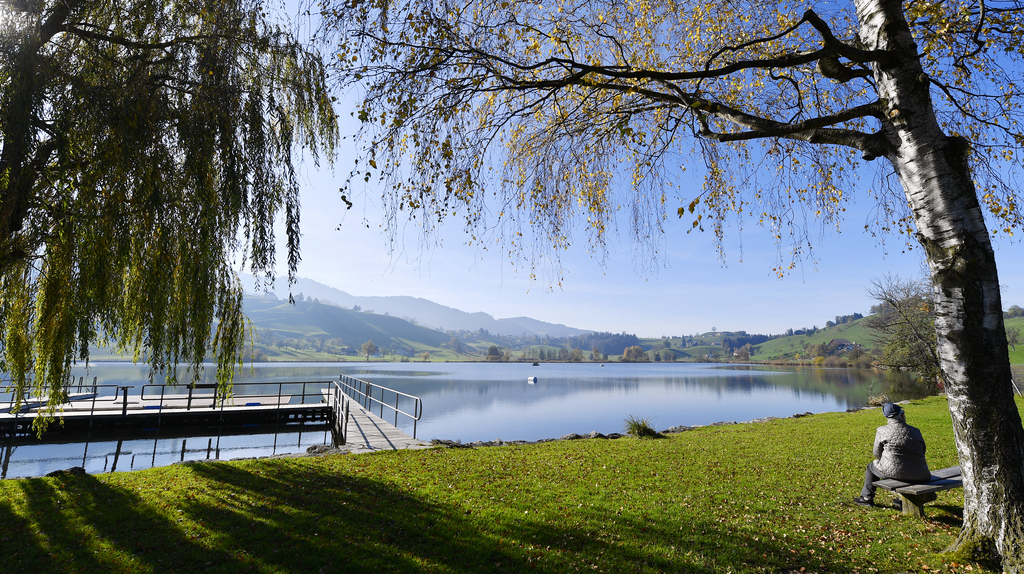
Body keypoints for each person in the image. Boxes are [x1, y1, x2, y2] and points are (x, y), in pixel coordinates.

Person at [854, 402, 931, 507]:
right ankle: (903, 500)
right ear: (902, 415)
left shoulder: (882, 430)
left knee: (871, 467)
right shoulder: (915, 431)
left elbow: (877, 454)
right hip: (922, 474)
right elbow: (922, 450)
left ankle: (866, 497)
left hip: (896, 473)